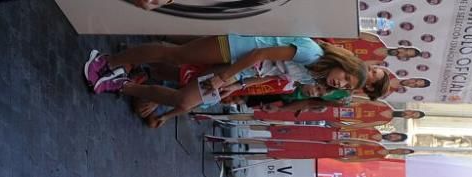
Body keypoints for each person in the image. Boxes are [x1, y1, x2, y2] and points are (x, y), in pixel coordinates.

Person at [84, 38, 367, 127]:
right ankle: (110, 62)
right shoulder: (312, 52)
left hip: (238, 71)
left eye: (344, 86)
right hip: (237, 49)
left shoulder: (313, 73)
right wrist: (226, 76)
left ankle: (118, 84)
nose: (339, 83)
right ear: (344, 63)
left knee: (185, 100)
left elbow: (270, 71)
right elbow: (261, 53)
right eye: (345, 78)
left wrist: (235, 83)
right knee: (175, 53)